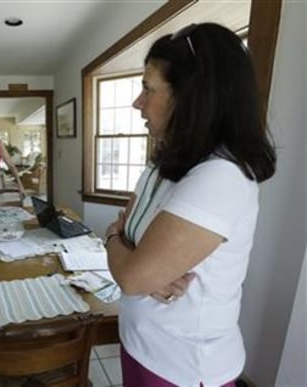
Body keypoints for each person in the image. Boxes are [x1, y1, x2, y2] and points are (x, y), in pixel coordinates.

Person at [104, 23, 276, 387]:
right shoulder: (164, 161)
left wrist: (120, 248)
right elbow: (126, 228)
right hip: (140, 344)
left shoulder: (221, 177)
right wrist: (129, 251)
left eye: (148, 89)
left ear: (190, 97)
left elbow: (132, 275)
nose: (138, 102)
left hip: (181, 366)